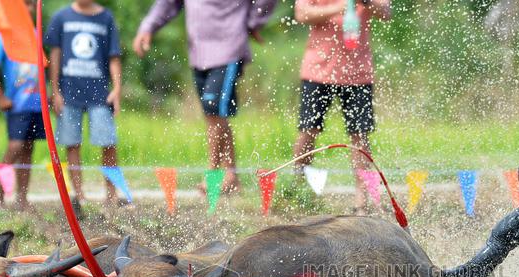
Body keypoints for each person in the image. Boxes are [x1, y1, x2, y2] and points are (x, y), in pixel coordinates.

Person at [133, 0, 278, 195]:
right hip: (198, 52)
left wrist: (253, 22)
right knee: (215, 115)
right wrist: (148, 27)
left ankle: (213, 175)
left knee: (213, 109)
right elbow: (168, 3)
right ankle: (231, 176)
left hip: (230, 47)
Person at [292, 0, 391, 213]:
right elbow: (301, 14)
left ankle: (362, 203)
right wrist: (339, 8)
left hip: (358, 74)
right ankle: (297, 189)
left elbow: (386, 12)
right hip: (317, 70)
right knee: (308, 131)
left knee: (360, 136)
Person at [44, 0, 123, 207]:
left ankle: (112, 194)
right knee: (72, 144)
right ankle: (79, 195)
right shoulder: (61, 17)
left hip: (100, 93)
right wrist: (55, 90)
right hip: (69, 92)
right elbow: (55, 55)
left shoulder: (106, 18)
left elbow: (113, 56)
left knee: (108, 143)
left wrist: (117, 88)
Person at [0, 0, 45, 210]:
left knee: (28, 151)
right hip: (16, 105)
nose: (27, 9)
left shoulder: (37, 34)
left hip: (36, 104)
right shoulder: (6, 35)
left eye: (31, 4)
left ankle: (22, 199)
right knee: (14, 147)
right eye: (23, 4)